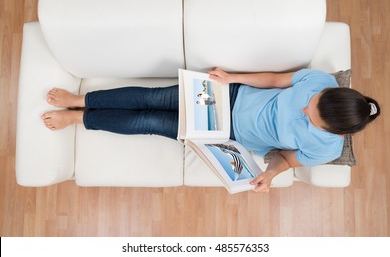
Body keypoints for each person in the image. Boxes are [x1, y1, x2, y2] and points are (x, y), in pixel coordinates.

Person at [41, 67, 380, 193]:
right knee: (153, 97)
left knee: (148, 121)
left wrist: (270, 175)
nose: (304, 109)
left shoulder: (327, 150)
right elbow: (276, 80)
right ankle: (79, 98)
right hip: (227, 95)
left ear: (334, 132)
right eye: (312, 101)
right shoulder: (320, 81)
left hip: (223, 135)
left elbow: (286, 160)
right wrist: (232, 77)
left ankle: (79, 119)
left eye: (310, 118)